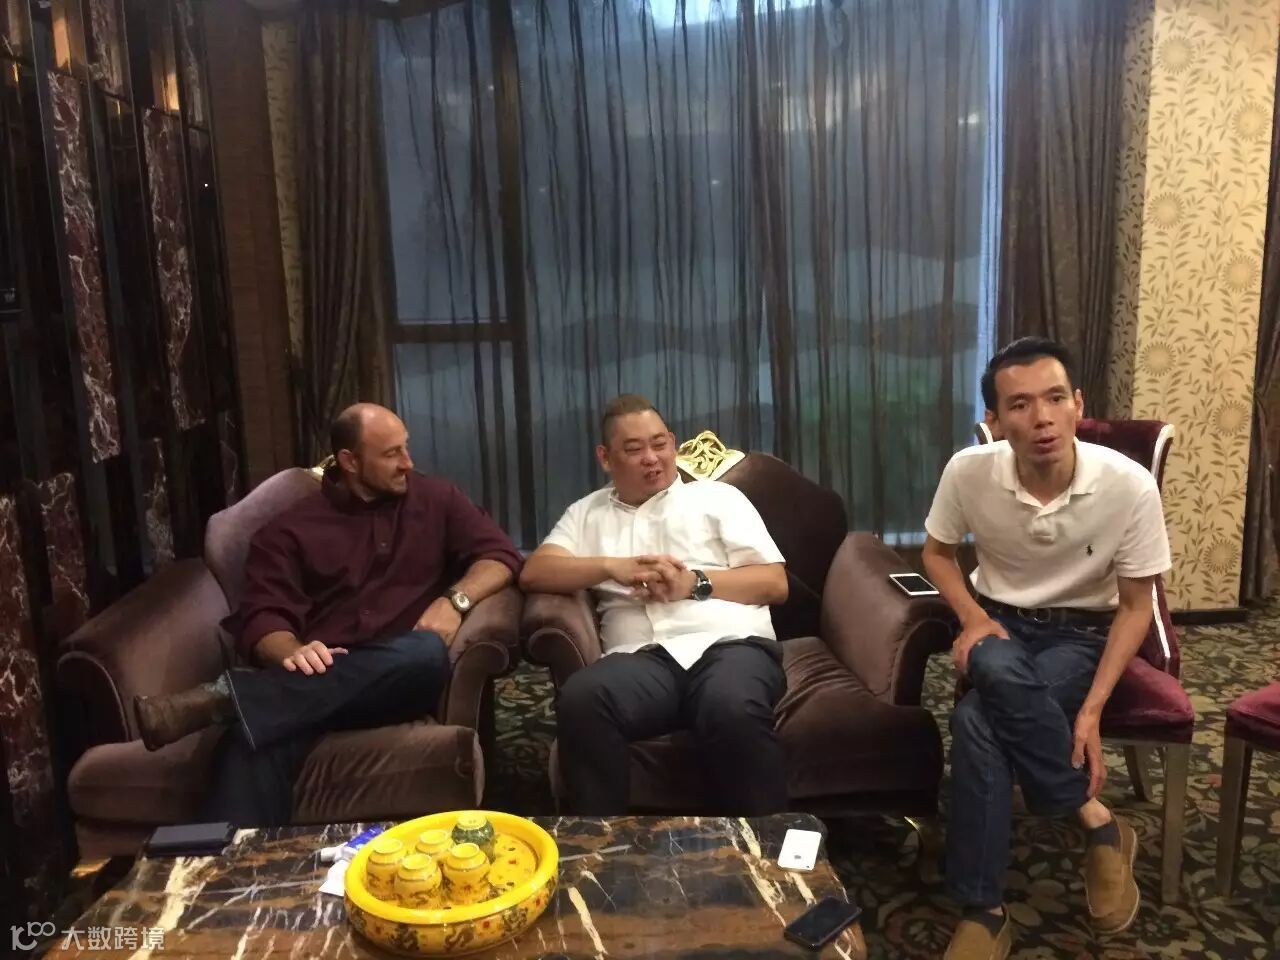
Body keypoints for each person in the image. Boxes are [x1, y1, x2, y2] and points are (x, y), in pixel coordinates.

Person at [132, 403, 522, 826]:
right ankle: (219, 865)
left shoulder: (436, 499)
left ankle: (229, 698)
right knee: (248, 737)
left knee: (424, 652)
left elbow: (500, 554)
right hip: (314, 678)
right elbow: (264, 616)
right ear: (350, 461)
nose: (408, 463)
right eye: (391, 453)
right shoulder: (287, 531)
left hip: (400, 676)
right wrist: (291, 652)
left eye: (406, 448)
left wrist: (454, 601)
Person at [922, 338, 1171, 959]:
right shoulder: (968, 471)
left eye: (1056, 398)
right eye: (1021, 405)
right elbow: (936, 554)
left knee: (976, 720)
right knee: (990, 658)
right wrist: (974, 618)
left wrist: (1091, 710)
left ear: (1078, 404)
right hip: (998, 624)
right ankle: (1095, 818)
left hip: (1080, 633)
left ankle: (983, 910)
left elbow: (1135, 607)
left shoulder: (1129, 485)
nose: (1042, 419)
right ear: (994, 419)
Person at [519, 394, 790, 815]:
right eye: (634, 449)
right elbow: (535, 572)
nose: (652, 458)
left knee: (731, 707)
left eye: (660, 444)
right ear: (605, 457)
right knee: (582, 699)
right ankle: (605, 844)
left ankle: (766, 844)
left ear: (673, 444)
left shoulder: (718, 498)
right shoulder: (587, 514)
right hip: (641, 661)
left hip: (730, 647)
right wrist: (612, 565)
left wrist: (693, 583)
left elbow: (774, 583)